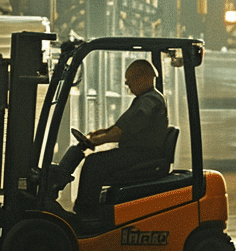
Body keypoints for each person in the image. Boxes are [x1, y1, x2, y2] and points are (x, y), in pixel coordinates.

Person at [56, 59, 169, 212]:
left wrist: (95, 141)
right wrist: (94, 135)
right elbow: (117, 128)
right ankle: (87, 209)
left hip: (141, 155)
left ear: (143, 77)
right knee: (95, 162)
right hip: (138, 153)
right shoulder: (145, 99)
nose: (129, 87)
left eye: (130, 83)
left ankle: (85, 212)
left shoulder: (149, 102)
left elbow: (120, 133)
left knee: (94, 164)